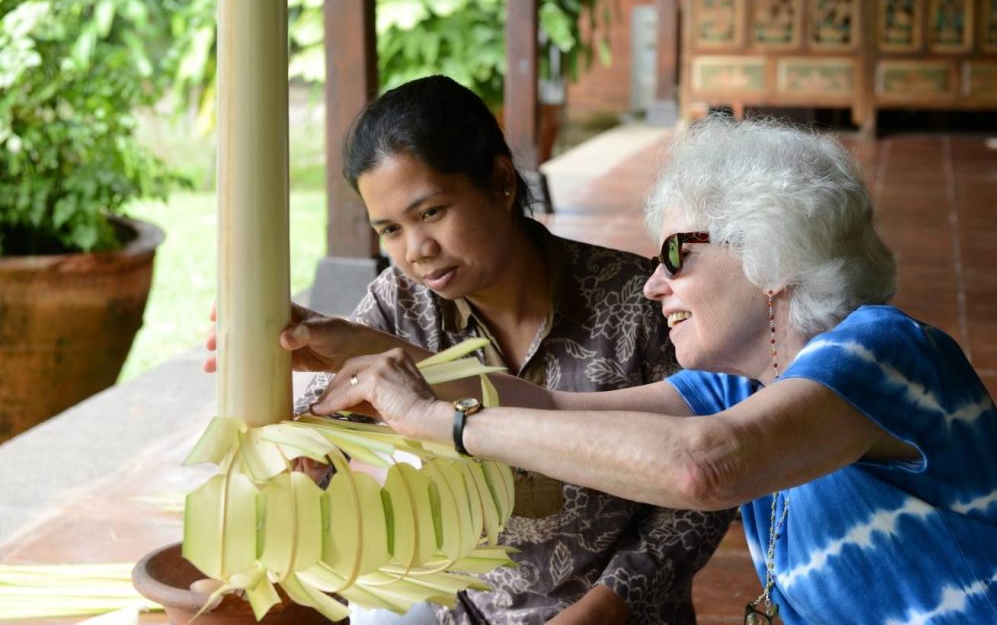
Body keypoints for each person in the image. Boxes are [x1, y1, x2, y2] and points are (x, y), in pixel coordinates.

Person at [299, 115, 997, 624]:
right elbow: (546, 406)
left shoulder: (882, 345)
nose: (653, 284)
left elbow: (702, 468)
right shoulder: (744, 383)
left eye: (676, 254)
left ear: (767, 244)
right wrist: (355, 348)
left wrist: (444, 424)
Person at [221, 75, 733, 624]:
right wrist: (296, 440)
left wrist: (603, 611)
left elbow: (699, 499)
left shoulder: (639, 303)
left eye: (432, 212)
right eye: (390, 229)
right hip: (466, 612)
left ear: (501, 180)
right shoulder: (399, 306)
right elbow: (332, 427)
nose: (416, 250)